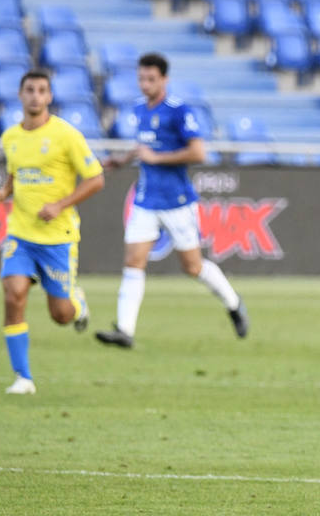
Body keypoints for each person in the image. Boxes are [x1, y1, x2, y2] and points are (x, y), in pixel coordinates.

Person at [94, 52, 247, 349]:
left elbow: (198, 153)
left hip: (177, 201)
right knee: (133, 262)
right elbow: (144, 148)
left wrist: (158, 158)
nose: (145, 84)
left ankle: (233, 302)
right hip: (145, 199)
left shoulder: (179, 111)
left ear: (164, 79)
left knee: (192, 267)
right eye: (141, 78)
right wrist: (122, 160)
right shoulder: (139, 109)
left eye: (151, 79)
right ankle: (125, 330)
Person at [0, 70, 104, 394]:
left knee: (61, 314)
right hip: (21, 234)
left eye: (42, 90)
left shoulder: (66, 135)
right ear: (20, 94)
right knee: (13, 295)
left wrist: (60, 204)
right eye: (30, 90)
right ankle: (23, 378)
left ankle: (78, 304)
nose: (35, 96)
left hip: (57, 238)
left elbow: (96, 179)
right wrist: (5, 191)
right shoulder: (10, 136)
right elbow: (16, 172)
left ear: (50, 96)